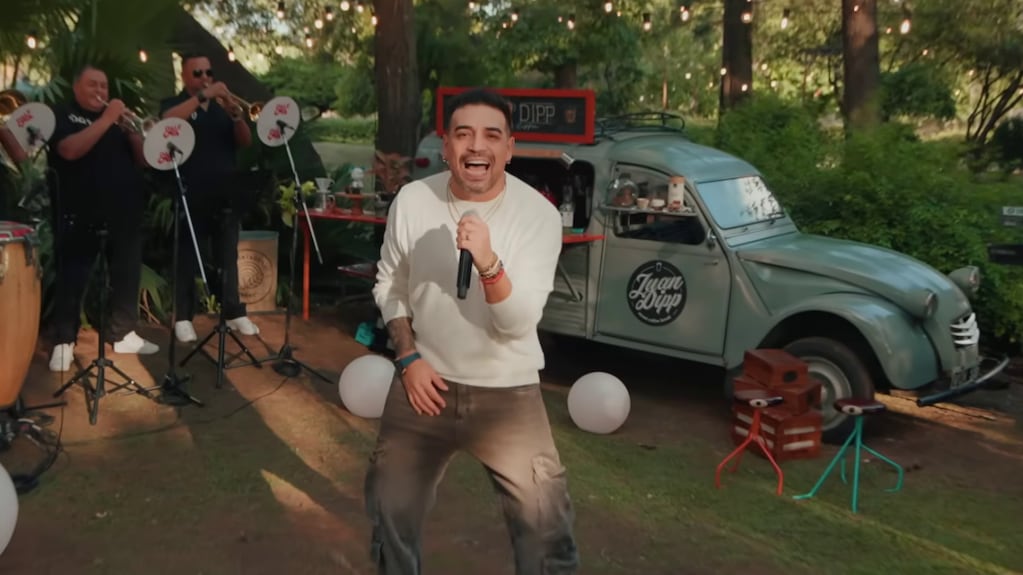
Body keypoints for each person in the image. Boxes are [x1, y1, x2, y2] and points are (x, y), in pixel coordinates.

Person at [366, 88, 579, 574]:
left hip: (508, 392)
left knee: (546, 531)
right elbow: (391, 283)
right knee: (390, 511)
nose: (476, 146)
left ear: (510, 147)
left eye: (491, 135)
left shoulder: (538, 216)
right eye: (463, 134)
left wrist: (487, 261)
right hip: (424, 386)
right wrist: (408, 358)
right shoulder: (413, 200)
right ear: (446, 146)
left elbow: (516, 323)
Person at [46, 64, 160, 372]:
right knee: (73, 276)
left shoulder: (120, 121)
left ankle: (122, 333)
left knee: (126, 274)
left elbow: (144, 160)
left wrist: (134, 132)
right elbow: (69, 150)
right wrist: (107, 119)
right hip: (79, 210)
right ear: (76, 87)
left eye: (104, 86)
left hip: (123, 210)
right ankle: (64, 340)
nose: (100, 91)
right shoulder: (63, 114)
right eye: (93, 84)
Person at [159, 52, 259, 343]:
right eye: (197, 73)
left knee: (228, 253)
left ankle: (233, 311)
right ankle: (183, 317)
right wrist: (204, 95)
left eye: (208, 73)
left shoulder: (220, 108)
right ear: (184, 76)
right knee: (187, 256)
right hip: (190, 189)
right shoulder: (174, 104)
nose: (205, 78)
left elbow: (244, 141)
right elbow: (166, 122)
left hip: (224, 190)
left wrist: (237, 116)